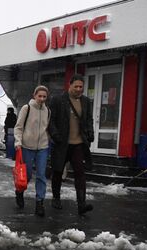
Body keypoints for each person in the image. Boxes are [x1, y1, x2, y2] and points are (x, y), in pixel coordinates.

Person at [48, 74, 94, 215]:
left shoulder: (86, 101)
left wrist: (90, 134)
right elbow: (51, 120)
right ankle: (56, 198)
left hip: (78, 144)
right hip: (62, 143)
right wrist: (55, 135)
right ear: (70, 85)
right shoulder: (57, 100)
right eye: (76, 86)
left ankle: (82, 204)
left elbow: (88, 120)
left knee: (80, 173)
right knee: (57, 171)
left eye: (81, 87)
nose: (79, 89)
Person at [13, 85, 51, 217]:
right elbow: (18, 127)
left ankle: (39, 203)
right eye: (39, 96)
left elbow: (47, 128)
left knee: (41, 175)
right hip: (26, 146)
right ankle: (19, 192)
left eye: (44, 96)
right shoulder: (26, 108)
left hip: (43, 147)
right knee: (27, 175)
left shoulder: (47, 111)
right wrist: (18, 142)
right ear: (34, 96)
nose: (41, 99)